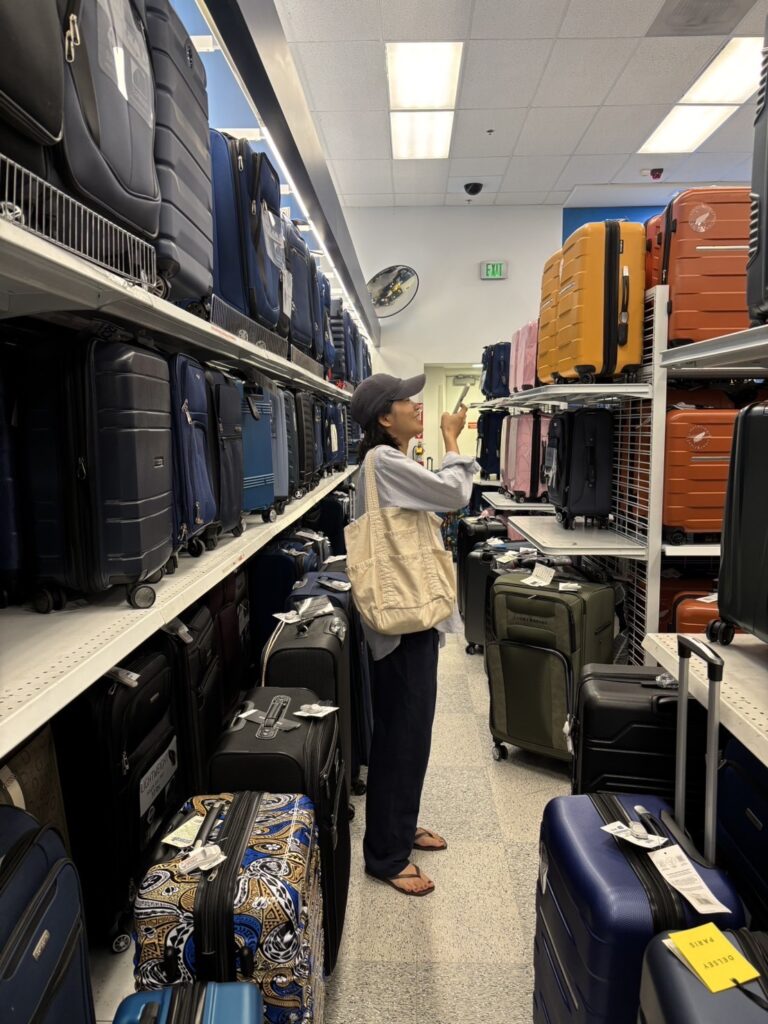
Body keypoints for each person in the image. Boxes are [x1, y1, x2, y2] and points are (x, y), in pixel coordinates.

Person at [349, 372, 477, 897]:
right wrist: (451, 438)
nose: (418, 406)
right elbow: (455, 494)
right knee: (402, 737)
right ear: (385, 417)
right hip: (402, 626)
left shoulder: (387, 462)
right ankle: (385, 855)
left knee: (407, 734)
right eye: (408, 400)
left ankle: (398, 827)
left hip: (408, 619)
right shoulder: (384, 461)